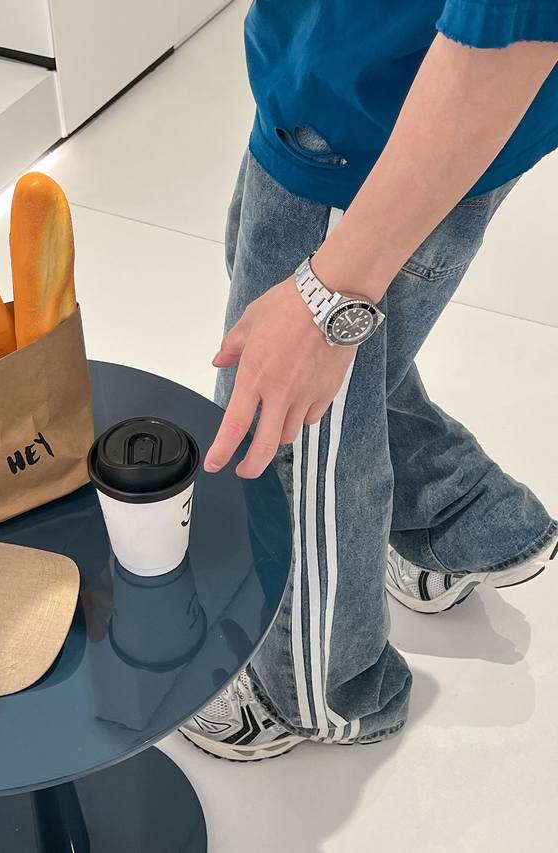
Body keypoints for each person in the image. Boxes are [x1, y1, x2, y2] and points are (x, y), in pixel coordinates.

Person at [180, 1, 558, 761]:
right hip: (338, 80)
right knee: (319, 367)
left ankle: (316, 692)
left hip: (375, 126)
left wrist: (330, 295)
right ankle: (462, 517)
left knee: (290, 432)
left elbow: (519, 30)